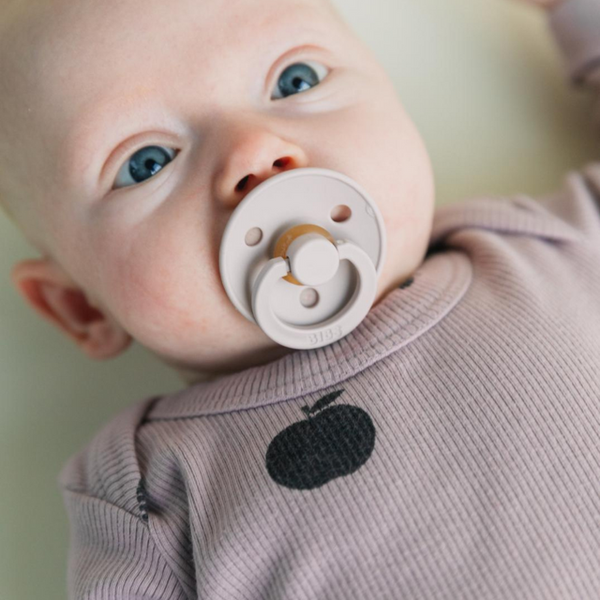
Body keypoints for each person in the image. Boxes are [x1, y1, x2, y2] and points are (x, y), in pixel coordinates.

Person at [1, 0, 599, 597]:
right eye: (146, 163)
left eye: (296, 80)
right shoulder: (145, 493)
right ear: (81, 307)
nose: (255, 152)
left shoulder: (544, 246)